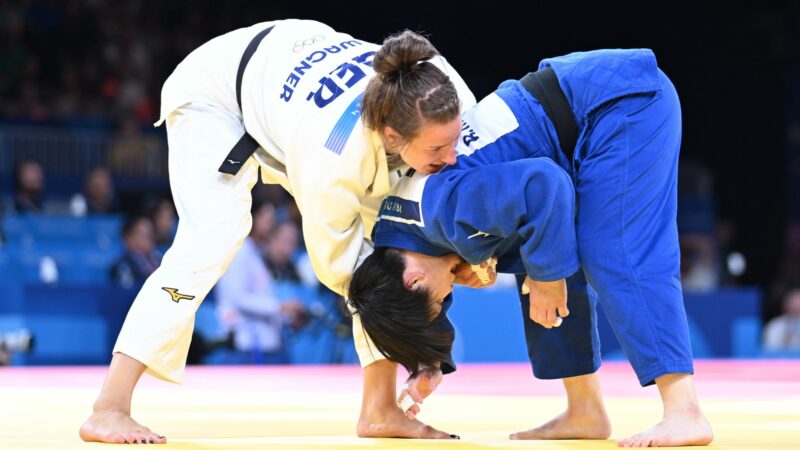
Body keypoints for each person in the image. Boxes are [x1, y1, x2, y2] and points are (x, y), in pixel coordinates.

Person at [79, 20, 476, 444]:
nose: (451, 156)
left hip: (287, 75)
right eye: (437, 149)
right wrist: (421, 343)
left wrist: (470, 257)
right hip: (218, 95)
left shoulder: (443, 92)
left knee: (393, 237)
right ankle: (109, 407)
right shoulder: (335, 158)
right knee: (213, 235)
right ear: (393, 135)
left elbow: (473, 184)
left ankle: (380, 410)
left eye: (450, 142)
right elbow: (354, 278)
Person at [348, 49, 713, 447]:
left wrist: (549, 278)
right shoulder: (395, 229)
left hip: (619, 102)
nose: (451, 293)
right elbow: (424, 289)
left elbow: (546, 184)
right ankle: (585, 410)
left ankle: (684, 411)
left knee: (611, 252)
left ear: (413, 279)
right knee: (539, 251)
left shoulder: (441, 208)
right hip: (581, 111)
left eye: (442, 299)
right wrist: (429, 361)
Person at [215, 202, 306, 364]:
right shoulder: (240, 251)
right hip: (246, 343)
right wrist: (280, 306)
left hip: (265, 342)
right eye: (266, 218)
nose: (270, 224)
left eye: (272, 219)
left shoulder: (256, 252)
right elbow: (237, 297)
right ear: (252, 218)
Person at [109, 215, 162, 288]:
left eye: (150, 234)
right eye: (143, 235)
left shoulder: (162, 260)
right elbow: (125, 295)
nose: (148, 239)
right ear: (128, 239)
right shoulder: (123, 267)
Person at [763, 286, 800, 351]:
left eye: (797, 307)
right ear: (785, 306)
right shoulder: (774, 325)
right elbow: (769, 349)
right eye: (793, 306)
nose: (795, 309)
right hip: (778, 360)